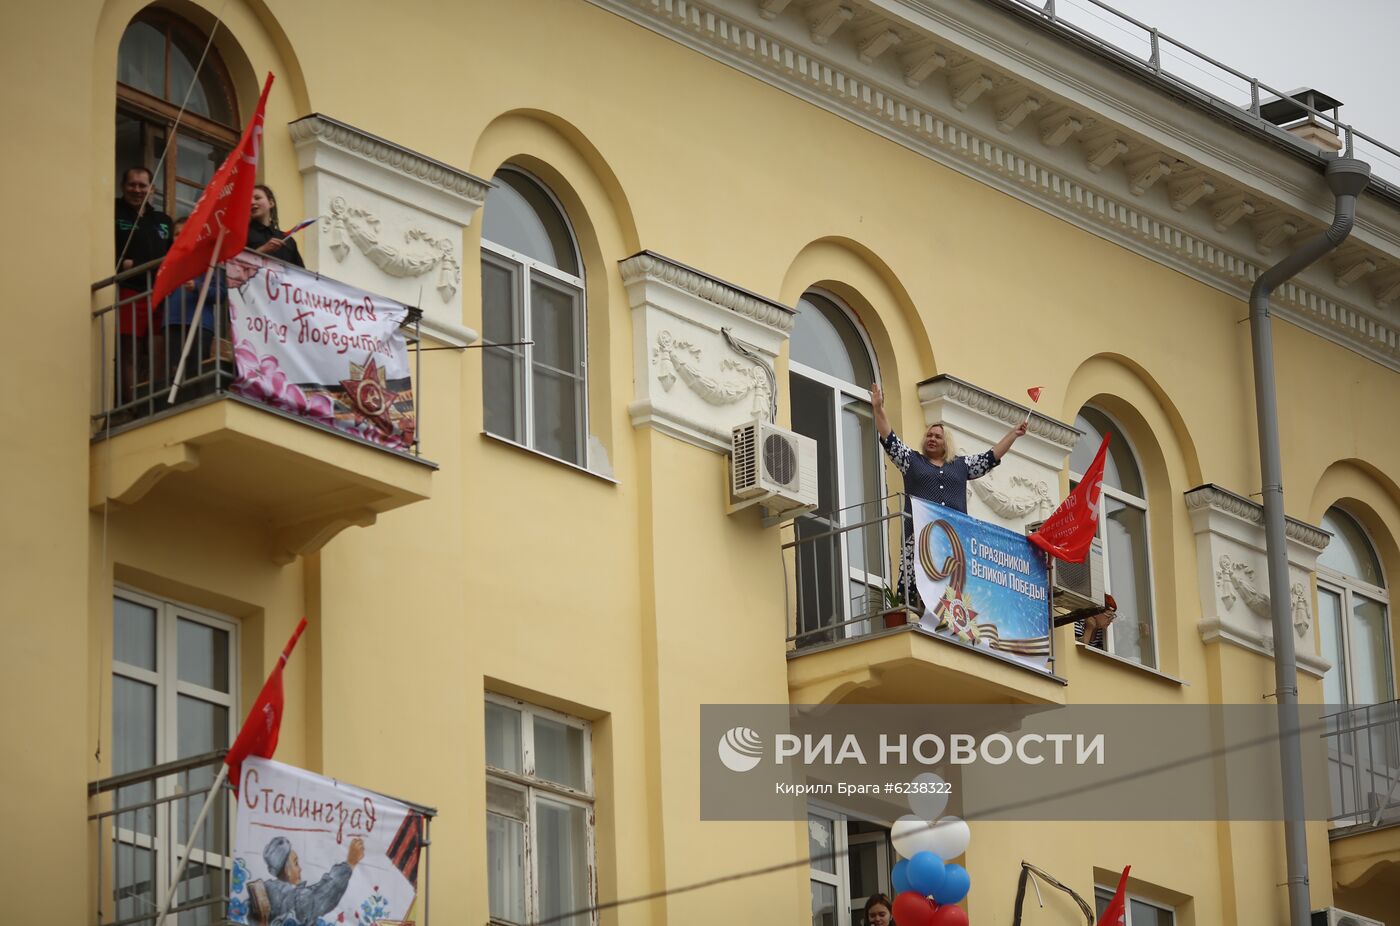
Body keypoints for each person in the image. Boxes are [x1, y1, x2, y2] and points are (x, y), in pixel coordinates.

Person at [870, 382, 1026, 610]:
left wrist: (1013, 434)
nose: (932, 439)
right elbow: (889, 438)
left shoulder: (961, 466)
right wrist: (878, 409)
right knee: (921, 590)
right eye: (929, 435)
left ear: (946, 444)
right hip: (921, 538)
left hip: (952, 542)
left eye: (938, 437)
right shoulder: (912, 461)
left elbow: (989, 458)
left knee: (950, 592)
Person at [113, 166, 174, 405]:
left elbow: (171, 253)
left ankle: (154, 402)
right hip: (131, 289)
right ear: (123, 187)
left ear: (152, 189)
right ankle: (130, 404)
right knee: (130, 349)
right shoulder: (114, 211)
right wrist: (124, 264)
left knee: (158, 349)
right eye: (132, 185)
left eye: (142, 185)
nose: (137, 190)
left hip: (159, 292)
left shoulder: (162, 220)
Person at [160, 217, 230, 398]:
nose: (180, 237)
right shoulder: (169, 261)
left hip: (199, 323)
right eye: (177, 234)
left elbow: (221, 294)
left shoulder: (209, 261)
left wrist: (197, 287)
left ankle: (193, 401)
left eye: (186, 233)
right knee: (173, 367)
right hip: (172, 321)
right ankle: (177, 403)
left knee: (195, 367)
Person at [260, 834, 363, 926]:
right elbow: (324, 894)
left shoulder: (265, 890)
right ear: (287, 870)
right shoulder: (298, 899)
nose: (300, 869)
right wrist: (349, 863)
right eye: (296, 863)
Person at [247, 184, 305, 267]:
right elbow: (234, 266)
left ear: (271, 203)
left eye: (257, 198)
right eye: (248, 200)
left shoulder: (288, 240)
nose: (252, 202)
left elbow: (300, 274)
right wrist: (262, 251)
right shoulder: (242, 235)